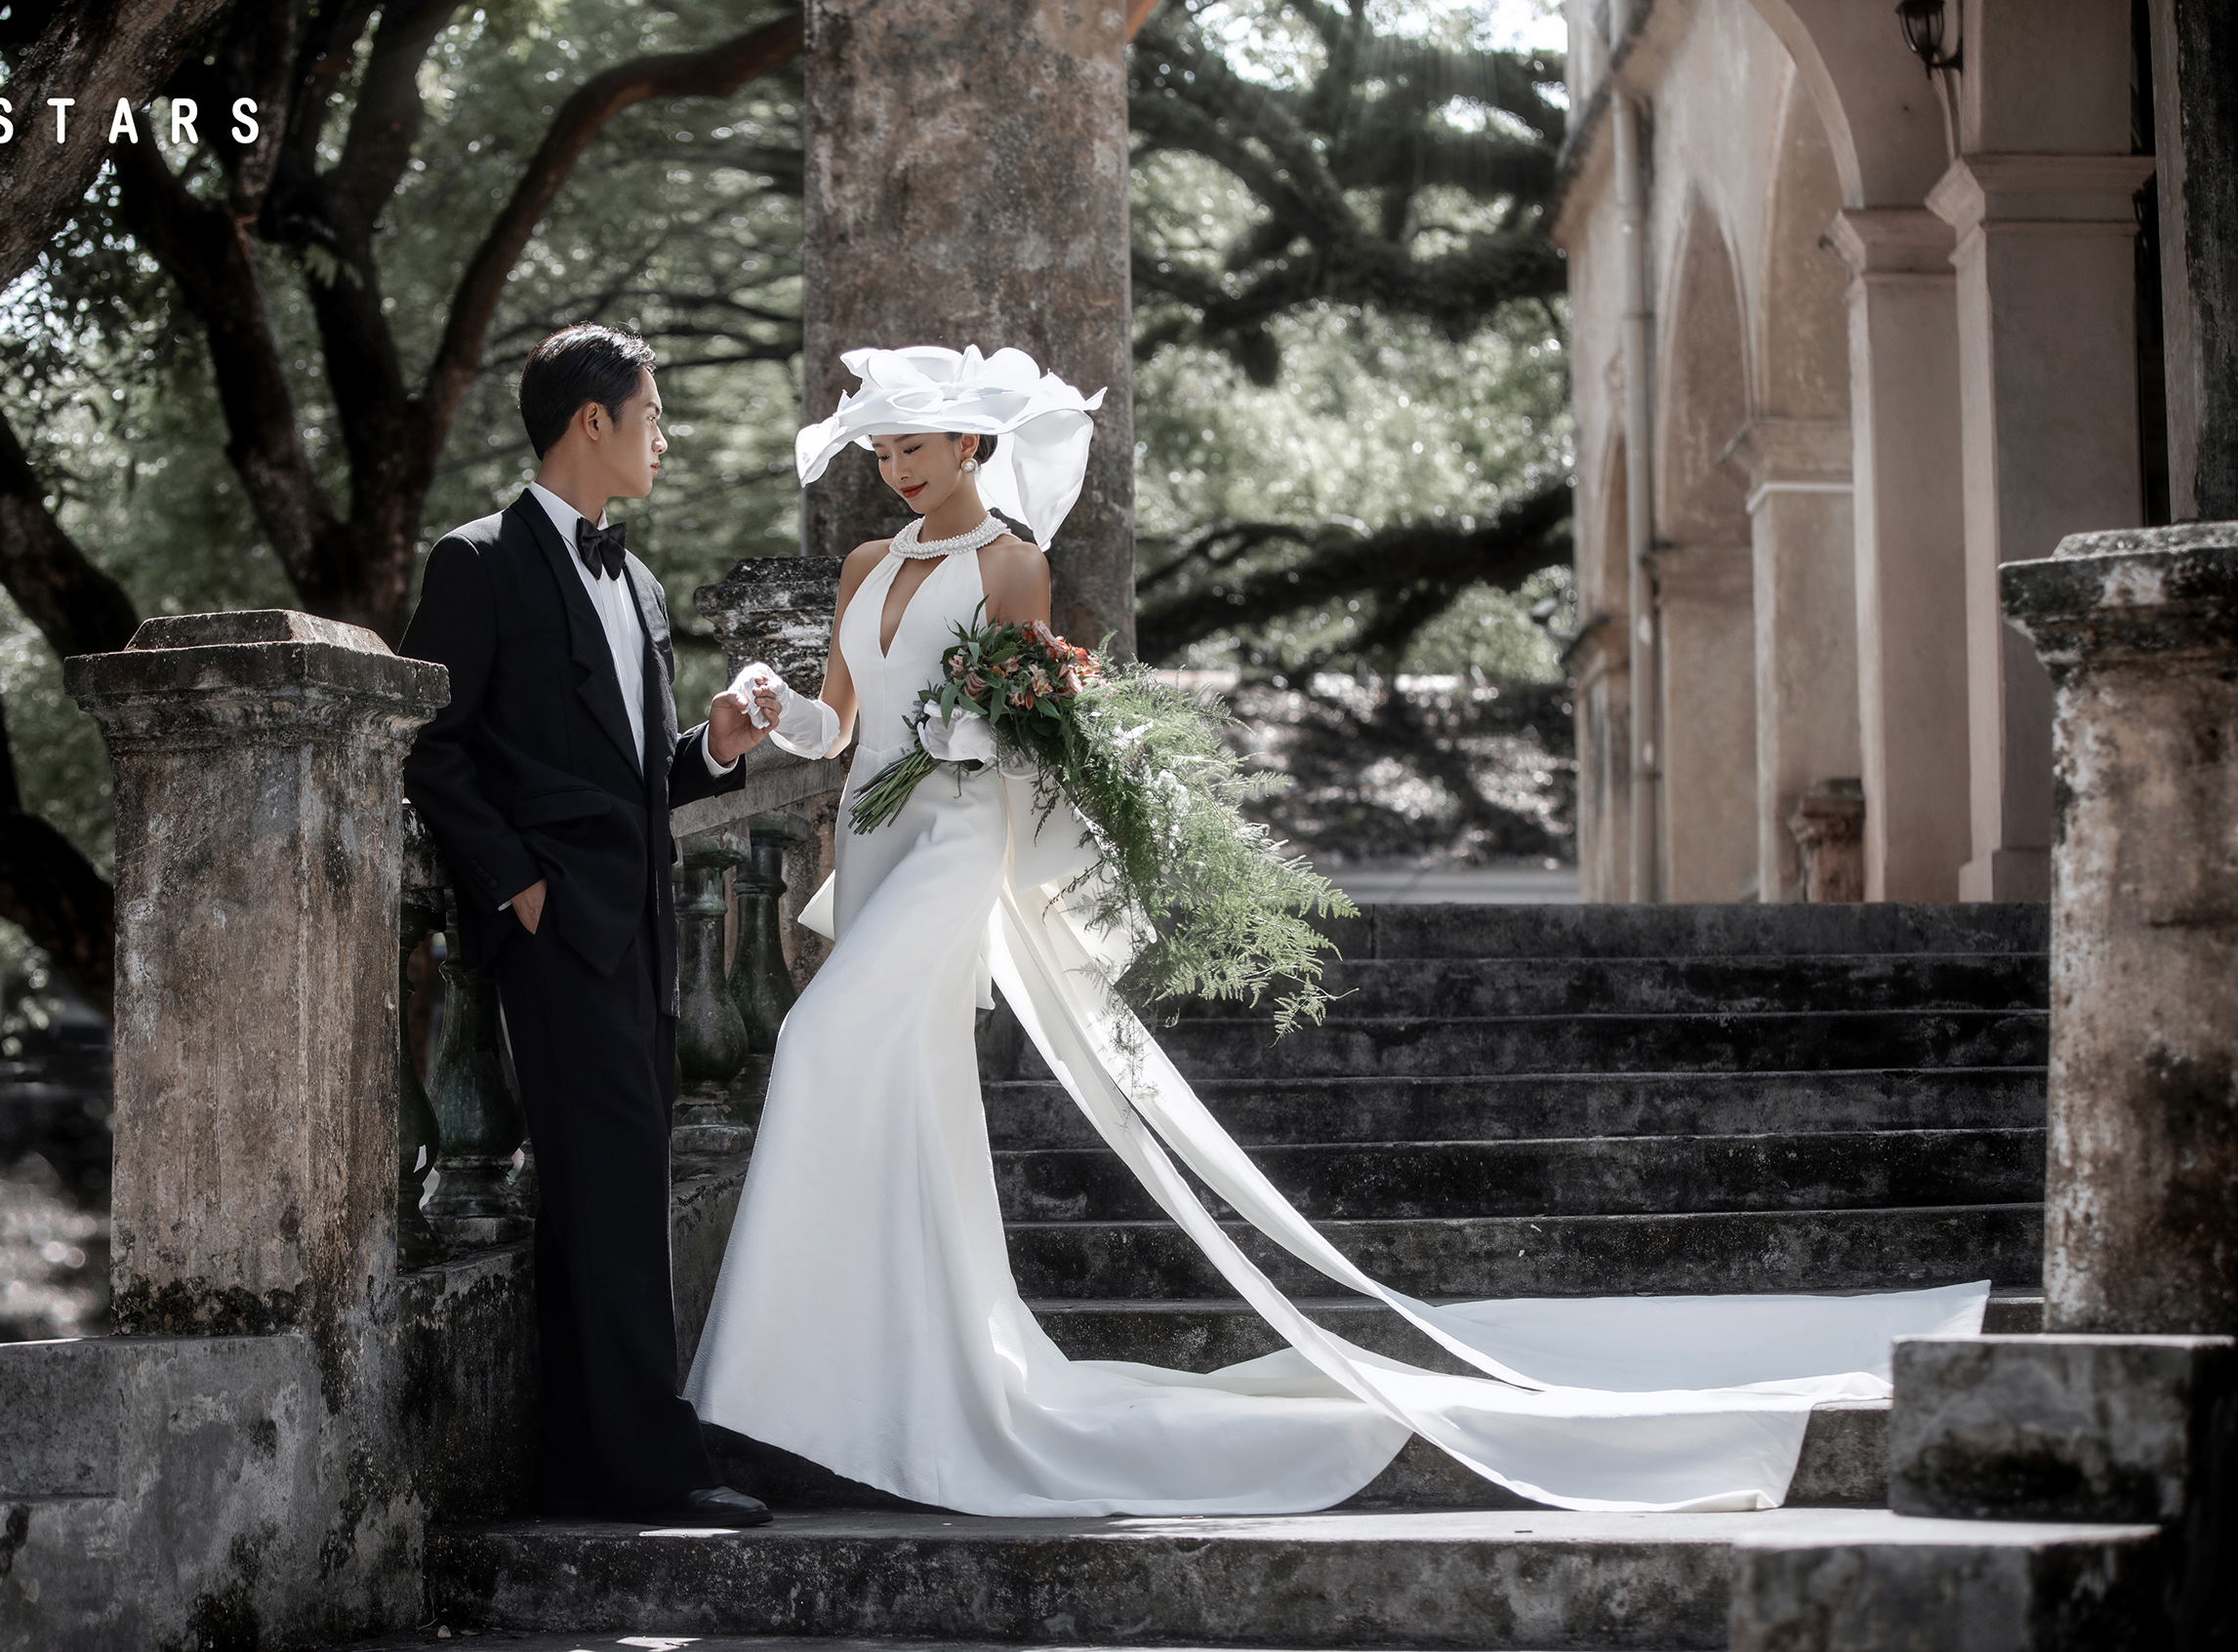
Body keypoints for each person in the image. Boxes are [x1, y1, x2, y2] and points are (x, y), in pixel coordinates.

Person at [684, 344, 1989, 1517]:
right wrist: (771, 711)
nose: (896, 469)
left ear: (972, 443)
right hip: (874, 835)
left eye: (914, 446)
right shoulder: (864, 568)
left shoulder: (1012, 566)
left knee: (818, 1044)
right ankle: (878, 1382)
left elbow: (1045, 732)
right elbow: (841, 727)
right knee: (902, 1099)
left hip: (957, 841)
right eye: (881, 452)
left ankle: (780, 1379)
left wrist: (994, 727)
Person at [400, 324, 778, 1527]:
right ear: (592, 421)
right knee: (612, 1193)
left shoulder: (642, 584)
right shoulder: (476, 561)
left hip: (646, 927)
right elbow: (431, 748)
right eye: (652, 415)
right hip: (557, 928)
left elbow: (639, 776)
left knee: (599, 1194)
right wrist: (516, 884)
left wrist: (715, 746)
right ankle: (659, 1468)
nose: (665, 437)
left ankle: (574, 1462)